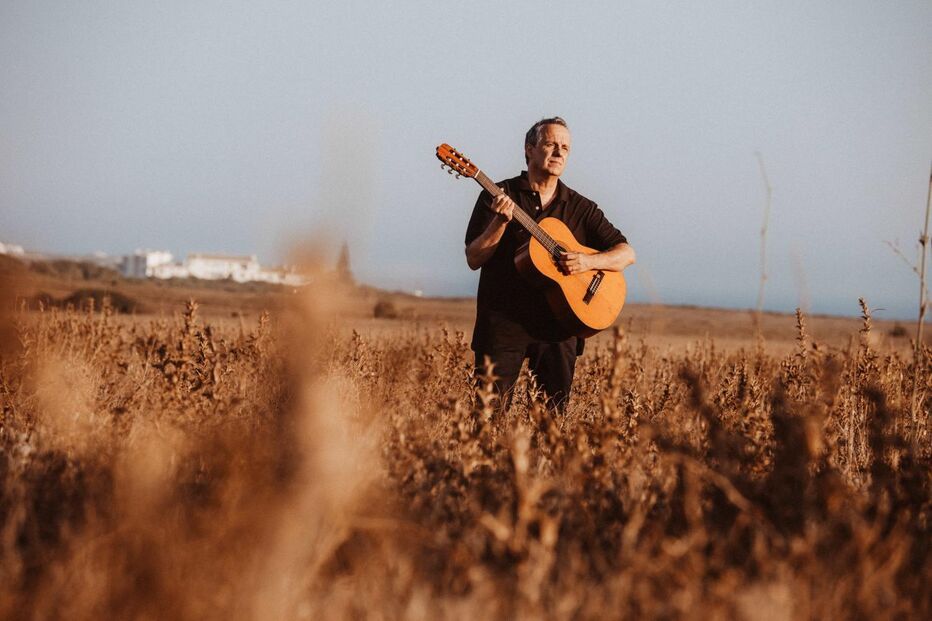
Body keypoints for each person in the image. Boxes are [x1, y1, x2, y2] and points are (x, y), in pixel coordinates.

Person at [464, 117, 636, 412]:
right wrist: (499, 222)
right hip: (504, 326)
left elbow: (626, 253)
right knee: (487, 423)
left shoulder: (580, 207)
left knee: (552, 426)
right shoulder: (498, 195)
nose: (558, 153)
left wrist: (587, 261)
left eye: (565, 148)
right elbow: (474, 258)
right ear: (529, 149)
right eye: (550, 144)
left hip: (559, 329)